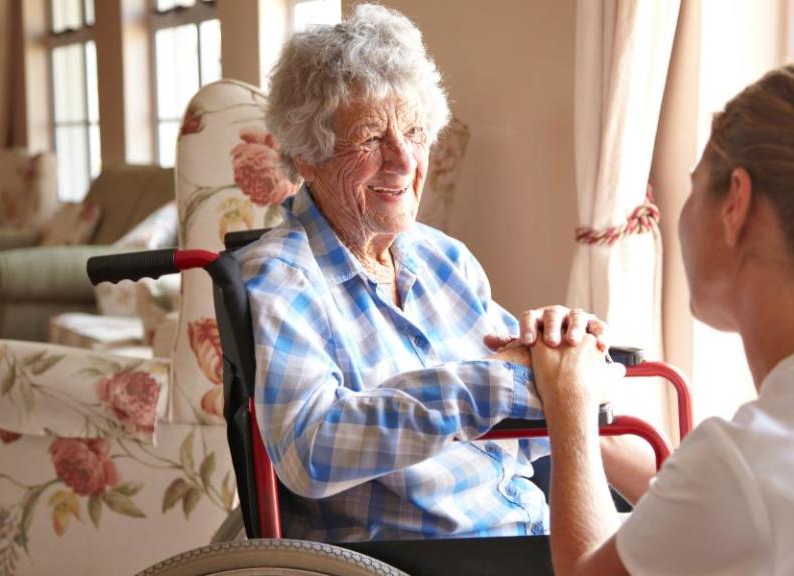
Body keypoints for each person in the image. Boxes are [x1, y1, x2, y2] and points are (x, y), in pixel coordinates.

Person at [531, 59, 794, 575]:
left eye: (695, 185)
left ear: (737, 203)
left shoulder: (753, 454)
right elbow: (724, 518)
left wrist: (568, 404)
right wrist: (599, 441)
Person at [239, 4, 612, 542]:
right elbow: (309, 448)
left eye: (415, 132)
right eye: (370, 137)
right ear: (308, 155)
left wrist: (564, 353)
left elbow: (527, 417)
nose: (404, 160)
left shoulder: (444, 259)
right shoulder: (282, 279)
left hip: (531, 528)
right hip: (437, 559)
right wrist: (504, 382)